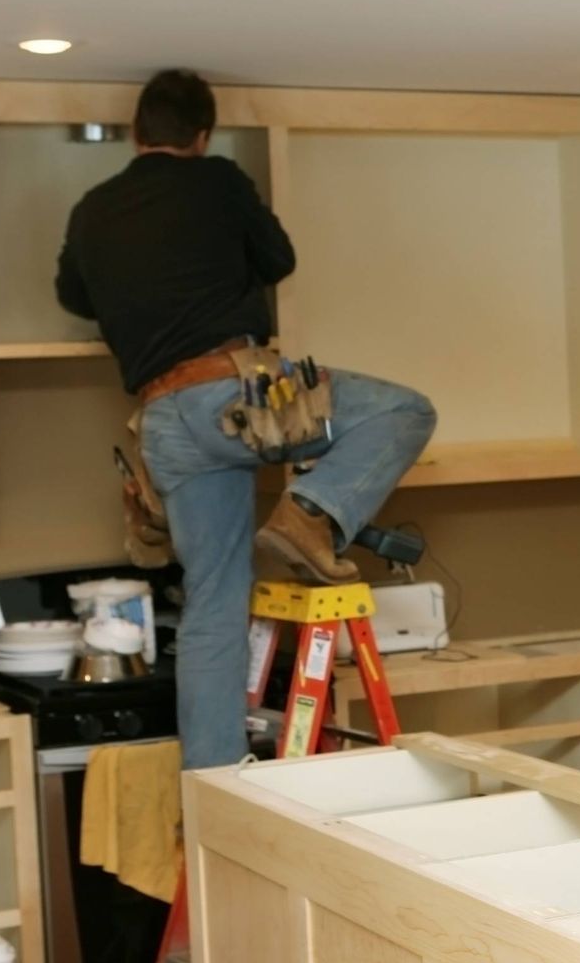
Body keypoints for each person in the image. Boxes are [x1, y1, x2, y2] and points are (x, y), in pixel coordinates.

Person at [56, 69, 436, 769]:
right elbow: (278, 259)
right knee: (406, 410)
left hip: (163, 420)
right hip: (240, 398)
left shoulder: (92, 208)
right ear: (200, 136)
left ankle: (214, 788)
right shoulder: (219, 181)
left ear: (140, 134)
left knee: (213, 609)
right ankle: (311, 512)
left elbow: (73, 294)